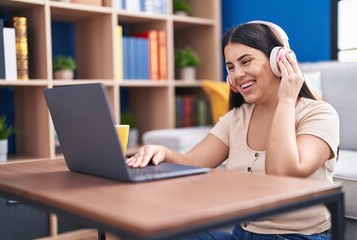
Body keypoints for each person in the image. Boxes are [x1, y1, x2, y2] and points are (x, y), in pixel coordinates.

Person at [126, 20, 340, 240]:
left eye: (246, 62)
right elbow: (191, 162)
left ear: (279, 60)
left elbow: (283, 173)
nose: (237, 74)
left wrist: (286, 99)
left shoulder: (320, 114)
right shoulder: (236, 118)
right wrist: (161, 152)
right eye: (230, 67)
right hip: (242, 235)